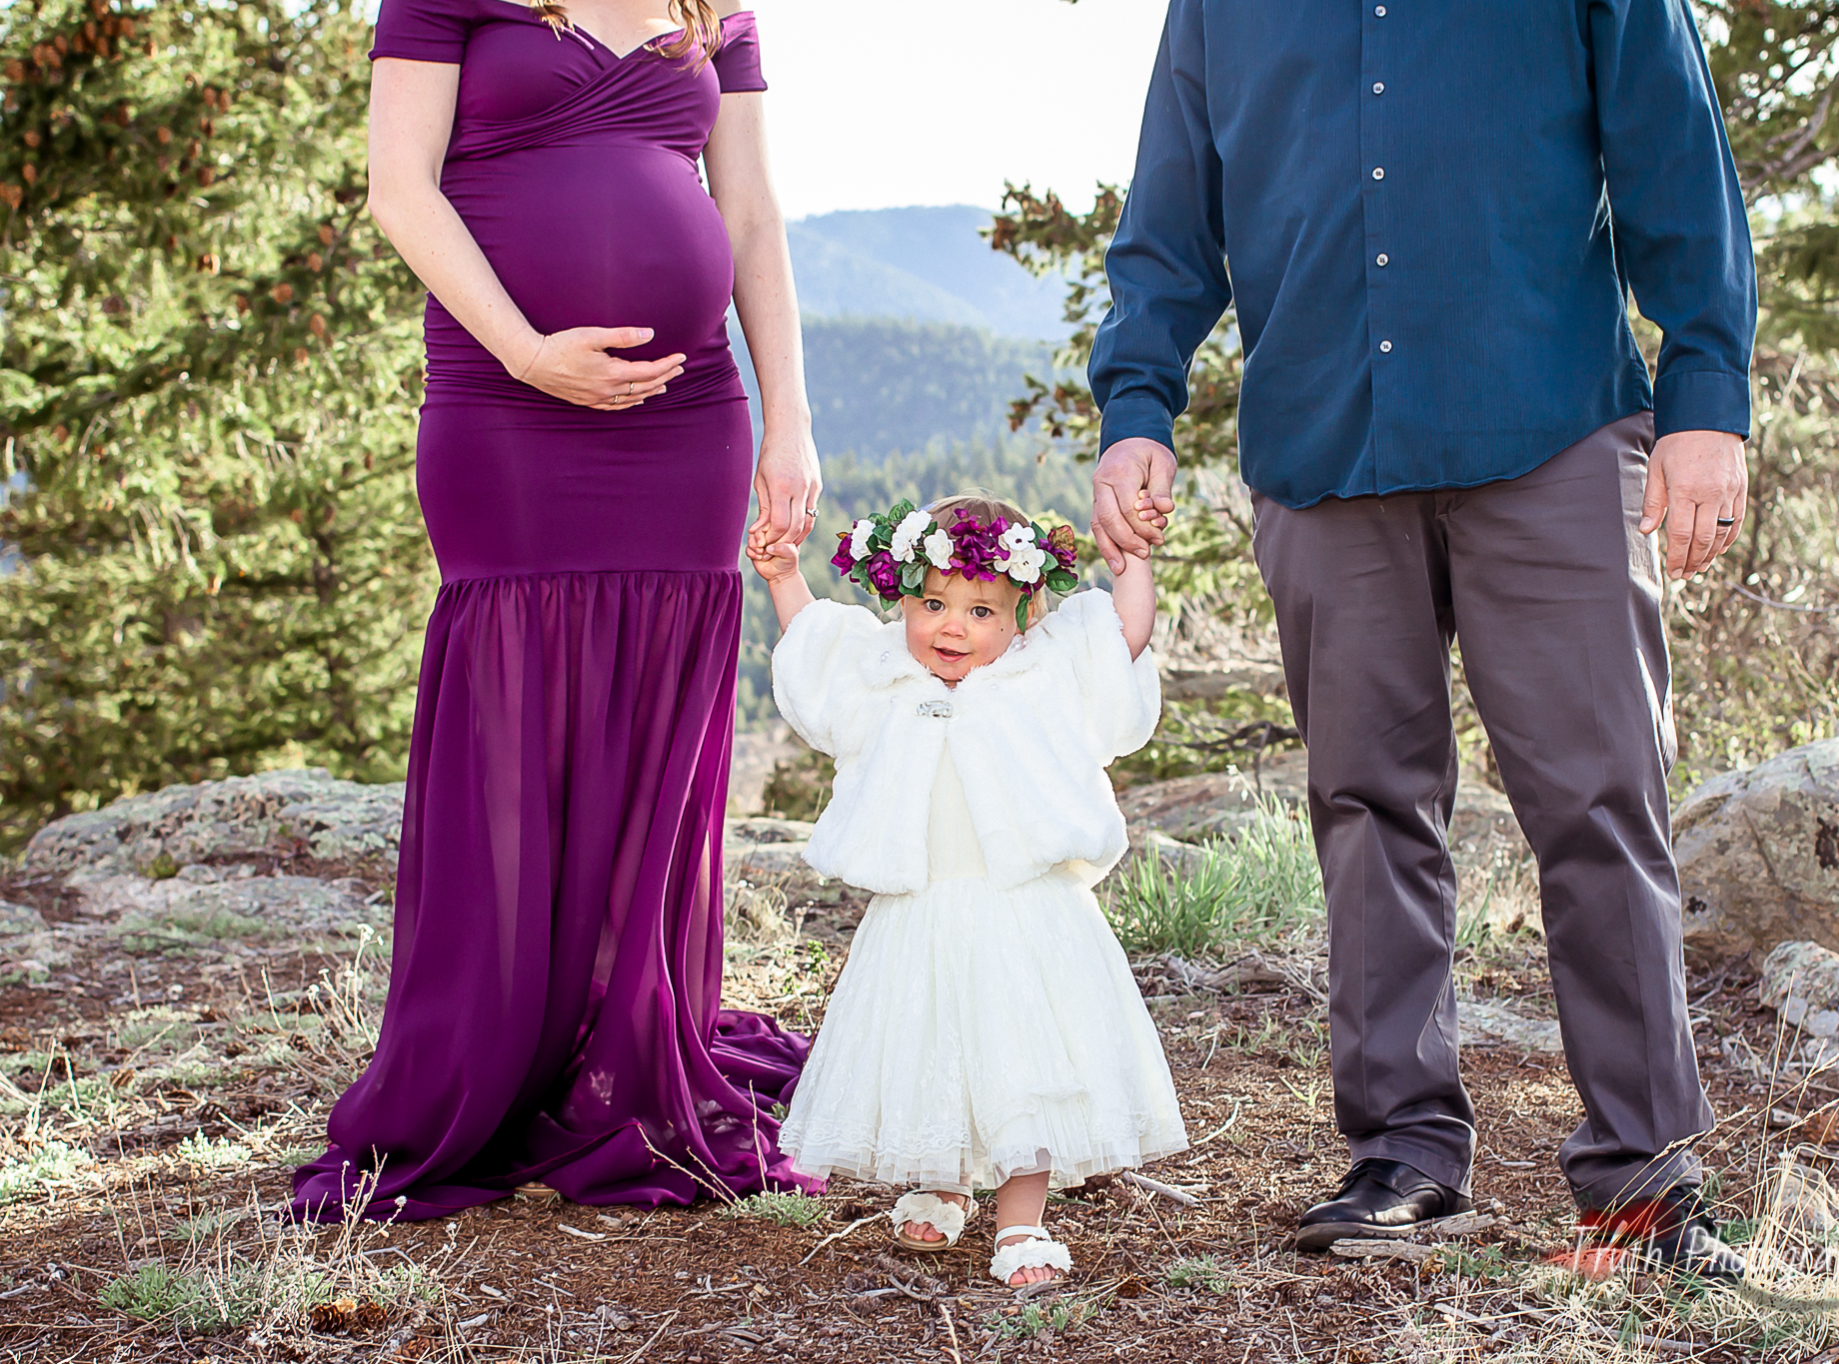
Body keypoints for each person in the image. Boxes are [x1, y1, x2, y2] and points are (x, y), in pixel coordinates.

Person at [1088, 0, 1755, 1278]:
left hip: (1549, 429)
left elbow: (1674, 151)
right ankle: (1401, 1148)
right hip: (1321, 445)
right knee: (1364, 801)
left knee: (1598, 799)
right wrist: (1137, 403)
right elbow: (1169, 218)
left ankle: (1642, 1171)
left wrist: (1703, 396)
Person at [292, 0, 822, 1220]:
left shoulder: (716, 7)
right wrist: (530, 351)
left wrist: (787, 416)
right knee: (512, 719)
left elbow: (747, 213)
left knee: (657, 731)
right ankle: (489, 1057)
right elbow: (399, 188)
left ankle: (630, 1048)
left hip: (689, 420)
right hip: (502, 399)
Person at [748, 493, 1188, 1287]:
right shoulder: (884, 677)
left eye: (980, 610)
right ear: (902, 599)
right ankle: (942, 1180)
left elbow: (1122, 639)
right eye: (932, 604)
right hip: (919, 916)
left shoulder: (1043, 674)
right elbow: (814, 649)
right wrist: (782, 573)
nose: (951, 626)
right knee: (929, 1053)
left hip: (1028, 917)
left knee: (1030, 1070)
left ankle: (1021, 1222)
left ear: (1022, 613)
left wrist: (1135, 567)